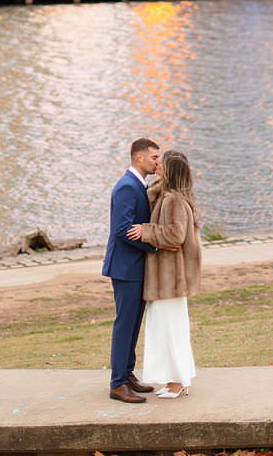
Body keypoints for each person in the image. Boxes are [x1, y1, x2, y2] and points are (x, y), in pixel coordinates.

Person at [128, 149, 202, 398]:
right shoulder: (165, 195)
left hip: (170, 278)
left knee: (171, 329)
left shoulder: (173, 200)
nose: (157, 163)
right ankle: (176, 377)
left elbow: (175, 235)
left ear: (170, 171)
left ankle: (178, 381)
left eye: (162, 162)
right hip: (165, 278)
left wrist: (146, 231)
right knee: (165, 327)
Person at [100, 136, 161, 403]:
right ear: (139, 157)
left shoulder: (140, 184)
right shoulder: (126, 187)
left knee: (134, 323)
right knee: (125, 324)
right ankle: (117, 384)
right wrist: (154, 247)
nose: (157, 162)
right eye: (154, 157)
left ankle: (127, 374)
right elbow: (123, 230)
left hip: (135, 267)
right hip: (125, 268)